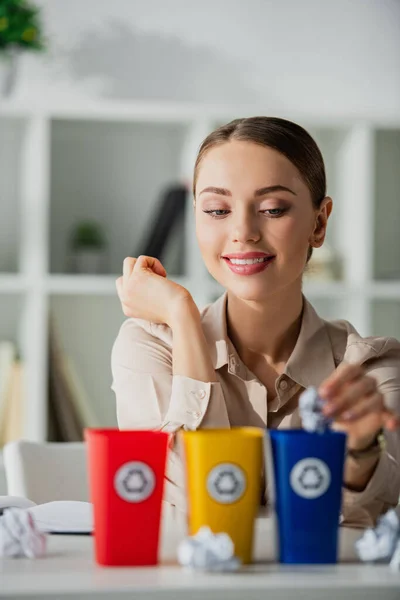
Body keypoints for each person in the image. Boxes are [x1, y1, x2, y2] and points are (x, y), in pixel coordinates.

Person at [111, 116, 400, 528]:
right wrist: (183, 318)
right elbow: (201, 510)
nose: (243, 231)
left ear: (318, 223)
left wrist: (360, 453)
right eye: (216, 210)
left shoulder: (370, 369)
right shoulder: (150, 347)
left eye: (272, 209)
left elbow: (366, 522)